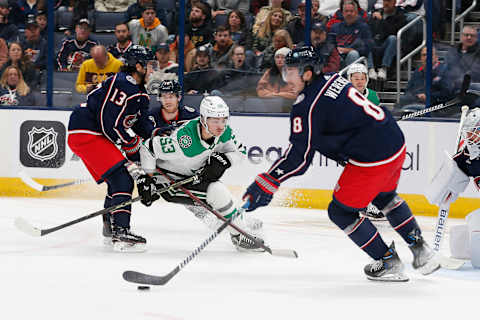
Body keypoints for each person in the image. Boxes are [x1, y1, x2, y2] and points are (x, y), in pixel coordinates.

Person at [243, 46, 440, 281]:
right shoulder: (333, 78)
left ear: (307, 73)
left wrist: (267, 181)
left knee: (340, 212)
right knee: (384, 196)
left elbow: (299, 158)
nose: (286, 78)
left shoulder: (306, 106)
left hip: (371, 158)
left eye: (291, 71)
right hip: (395, 143)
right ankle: (421, 250)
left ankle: (387, 261)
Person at [139, 95, 265, 251]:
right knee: (217, 192)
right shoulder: (184, 140)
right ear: (204, 119)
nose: (220, 126)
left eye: (224, 120)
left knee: (218, 195)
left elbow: (240, 152)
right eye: (215, 120)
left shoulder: (224, 132)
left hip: (192, 177)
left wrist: (225, 160)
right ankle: (239, 235)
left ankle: (236, 226)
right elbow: (148, 147)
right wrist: (148, 178)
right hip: (170, 181)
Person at [67, 45, 158, 252]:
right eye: (149, 65)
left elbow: (140, 124)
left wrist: (157, 134)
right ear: (138, 66)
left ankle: (110, 225)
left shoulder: (138, 91)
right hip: (87, 131)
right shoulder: (124, 84)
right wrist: (132, 148)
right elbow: (109, 122)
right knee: (122, 178)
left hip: (92, 132)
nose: (152, 70)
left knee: (117, 179)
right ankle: (121, 232)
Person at [397, 47, 450, 113]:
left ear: (436, 57)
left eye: (430, 54)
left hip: (434, 106)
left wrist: (429, 96)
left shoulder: (443, 72)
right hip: (415, 101)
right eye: (424, 55)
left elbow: (446, 93)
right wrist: (417, 96)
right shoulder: (417, 72)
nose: (426, 57)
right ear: (421, 58)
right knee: (402, 100)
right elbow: (408, 90)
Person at [369, 0, 407, 81]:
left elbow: (394, 31)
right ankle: (371, 69)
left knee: (392, 38)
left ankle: (384, 69)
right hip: (376, 45)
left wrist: (382, 20)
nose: (386, 3)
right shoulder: (377, 12)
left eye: (389, 1)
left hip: (390, 47)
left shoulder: (400, 14)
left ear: (394, 2)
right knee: (367, 40)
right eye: (385, 0)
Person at [330, 0, 373, 68]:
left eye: (351, 11)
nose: (349, 13)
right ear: (342, 13)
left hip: (356, 59)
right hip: (337, 58)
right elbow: (329, 45)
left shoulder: (363, 27)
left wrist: (348, 50)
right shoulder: (335, 27)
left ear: (356, 13)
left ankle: (351, 77)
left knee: (353, 54)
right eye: (346, 11)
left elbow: (367, 48)